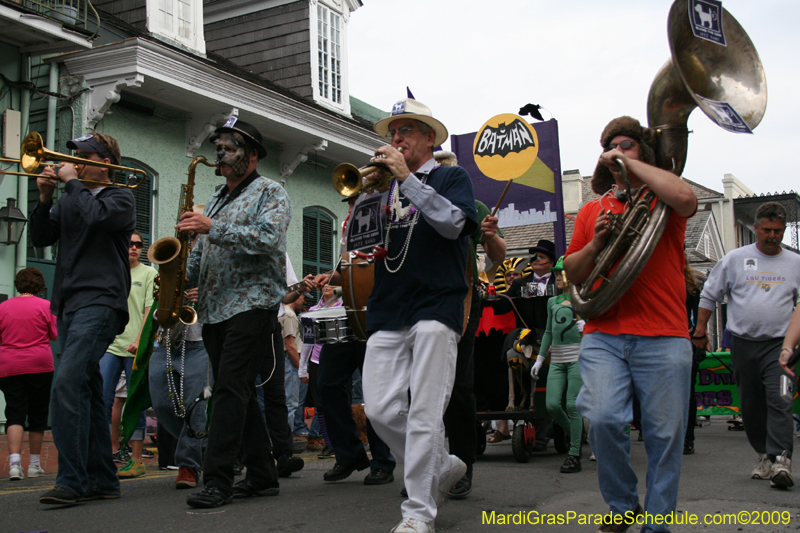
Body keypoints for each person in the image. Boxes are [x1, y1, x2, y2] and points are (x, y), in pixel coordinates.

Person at [564, 116, 697, 533]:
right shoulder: (592, 209)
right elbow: (572, 272)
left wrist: (635, 167)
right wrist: (598, 242)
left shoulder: (663, 203)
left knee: (665, 437)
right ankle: (622, 505)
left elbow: (687, 198)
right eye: (611, 146)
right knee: (602, 419)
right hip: (605, 333)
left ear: (644, 152)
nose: (619, 151)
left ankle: (657, 524)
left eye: (629, 145)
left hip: (665, 334)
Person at [363, 97, 478, 533]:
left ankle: (417, 514)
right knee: (380, 410)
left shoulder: (451, 176)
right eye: (394, 132)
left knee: (426, 412)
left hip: (436, 302)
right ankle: (443, 463)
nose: (396, 138)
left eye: (407, 130)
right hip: (389, 304)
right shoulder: (381, 190)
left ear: (430, 138)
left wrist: (407, 178)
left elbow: (453, 224)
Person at [178, 119, 291, 508]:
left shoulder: (271, 191)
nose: (221, 153)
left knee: (227, 390)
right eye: (219, 147)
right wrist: (181, 275)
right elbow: (202, 249)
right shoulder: (215, 198)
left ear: (254, 154)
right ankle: (262, 474)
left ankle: (218, 479)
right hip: (213, 307)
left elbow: (267, 239)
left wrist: (213, 225)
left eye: (230, 147)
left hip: (253, 302)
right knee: (236, 390)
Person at [30, 132, 136, 504]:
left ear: (105, 163)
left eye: (83, 157)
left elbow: (95, 219)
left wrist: (71, 182)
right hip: (69, 304)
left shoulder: (121, 197)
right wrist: (45, 198)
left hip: (102, 300)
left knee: (67, 382)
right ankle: (103, 479)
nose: (73, 162)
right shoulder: (69, 199)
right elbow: (41, 237)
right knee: (89, 391)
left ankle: (71, 480)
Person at [695, 201, 800, 490]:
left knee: (780, 400)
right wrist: (701, 328)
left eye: (778, 231)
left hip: (779, 346)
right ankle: (764, 455)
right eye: (766, 230)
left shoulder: (795, 263)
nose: (772, 236)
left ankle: (782, 460)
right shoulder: (735, 259)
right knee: (752, 406)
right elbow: (709, 293)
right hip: (743, 345)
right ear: (756, 228)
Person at [435, 150, 508, 499]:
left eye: (449, 170)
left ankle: (464, 461)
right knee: (419, 387)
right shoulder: (411, 200)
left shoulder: (474, 207)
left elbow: (499, 255)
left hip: (463, 297)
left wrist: (490, 235)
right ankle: (428, 467)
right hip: (423, 297)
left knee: (459, 384)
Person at [99, 230, 156, 478]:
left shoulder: (148, 273)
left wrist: (138, 340)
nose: (133, 248)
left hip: (134, 347)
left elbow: (147, 311)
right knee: (101, 399)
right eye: (130, 244)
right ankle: (105, 452)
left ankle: (136, 458)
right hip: (111, 345)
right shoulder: (112, 271)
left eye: (138, 245)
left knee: (134, 401)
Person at [148, 287, 211, 490]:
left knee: (195, 409)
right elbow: (156, 311)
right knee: (161, 404)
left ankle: (189, 465)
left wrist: (206, 294)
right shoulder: (170, 272)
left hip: (199, 343)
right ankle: (202, 445)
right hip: (165, 342)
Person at [0, 268, 57, 480]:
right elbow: (54, 335)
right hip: (39, 364)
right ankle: (34, 464)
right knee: (37, 415)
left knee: (14, 413)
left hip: (9, 365)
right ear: (40, 285)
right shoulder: (46, 307)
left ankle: (14, 464)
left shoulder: (3, 307)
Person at [535, 256, 585, 473]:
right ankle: (576, 433)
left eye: (560, 273)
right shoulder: (551, 302)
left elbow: (598, 322)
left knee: (572, 405)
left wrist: (589, 325)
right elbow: (548, 331)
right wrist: (539, 358)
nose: (557, 277)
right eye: (555, 273)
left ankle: (574, 453)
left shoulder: (582, 300)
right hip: (557, 359)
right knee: (552, 405)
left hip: (577, 357)